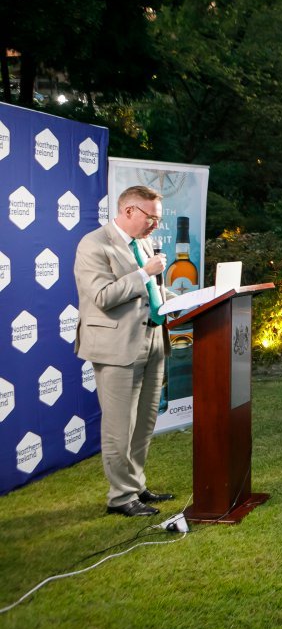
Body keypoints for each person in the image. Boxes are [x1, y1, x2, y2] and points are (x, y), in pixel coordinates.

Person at [74, 185, 175, 516]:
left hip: (153, 340)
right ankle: (120, 498)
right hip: (116, 347)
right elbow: (102, 296)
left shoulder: (143, 243)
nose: (155, 226)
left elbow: (151, 291)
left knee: (144, 423)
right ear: (130, 210)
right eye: (151, 218)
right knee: (119, 427)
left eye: (157, 219)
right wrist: (144, 272)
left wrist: (181, 300)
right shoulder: (94, 244)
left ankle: (136, 486)